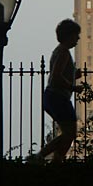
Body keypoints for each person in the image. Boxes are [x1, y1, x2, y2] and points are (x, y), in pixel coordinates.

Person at [32, 19, 82, 163]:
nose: (78, 38)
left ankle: (55, 159)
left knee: (69, 132)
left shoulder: (60, 51)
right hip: (58, 98)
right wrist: (74, 87)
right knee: (70, 132)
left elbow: (60, 74)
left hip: (54, 97)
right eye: (75, 35)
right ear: (69, 36)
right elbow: (56, 77)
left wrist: (73, 75)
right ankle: (44, 157)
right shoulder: (63, 52)